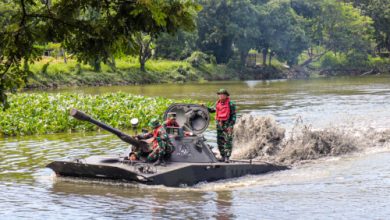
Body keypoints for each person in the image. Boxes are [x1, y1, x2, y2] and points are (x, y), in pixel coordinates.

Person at [207, 88, 236, 162]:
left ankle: (227, 157)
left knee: (228, 141)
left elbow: (234, 115)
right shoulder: (217, 103)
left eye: (223, 95)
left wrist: (231, 125)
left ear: (226, 96)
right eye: (219, 95)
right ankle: (222, 155)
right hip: (219, 125)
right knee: (220, 141)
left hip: (228, 124)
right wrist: (205, 108)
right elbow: (212, 110)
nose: (221, 96)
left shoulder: (231, 104)